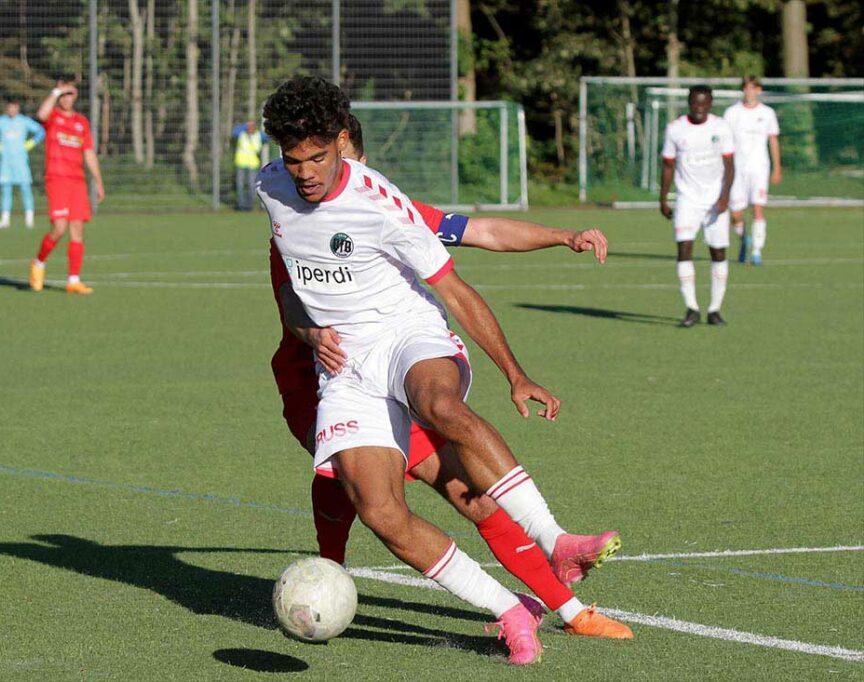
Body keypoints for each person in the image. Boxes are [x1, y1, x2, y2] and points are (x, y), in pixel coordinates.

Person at [258, 76, 632, 665]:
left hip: (407, 342)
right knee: (375, 506)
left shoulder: (383, 202)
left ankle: (558, 560)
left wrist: (517, 370)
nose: (308, 173)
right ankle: (506, 608)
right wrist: (310, 332)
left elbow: (473, 246)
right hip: (331, 374)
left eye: (323, 157)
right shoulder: (272, 191)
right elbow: (288, 295)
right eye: (294, 158)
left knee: (453, 448)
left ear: (343, 142)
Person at [659, 85, 735, 327]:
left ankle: (714, 309)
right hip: (687, 199)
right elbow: (668, 166)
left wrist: (724, 196)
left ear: (710, 104)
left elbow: (730, 165)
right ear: (689, 103)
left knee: (718, 252)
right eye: (695, 103)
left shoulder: (721, 127)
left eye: (704, 103)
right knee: (684, 249)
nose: (699, 108)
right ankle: (691, 308)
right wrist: (663, 198)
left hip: (715, 200)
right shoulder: (675, 129)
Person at [28, 77, 105, 295]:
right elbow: (40, 114)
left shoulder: (81, 122)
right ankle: (39, 263)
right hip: (57, 179)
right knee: (59, 228)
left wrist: (98, 181)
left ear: (76, 95)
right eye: (63, 94)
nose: (66, 98)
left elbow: (88, 152)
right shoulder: (52, 117)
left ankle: (73, 280)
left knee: (77, 229)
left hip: (77, 182)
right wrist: (55, 91)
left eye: (69, 93)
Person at [724, 76, 781, 265]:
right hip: (737, 170)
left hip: (759, 168)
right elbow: (725, 142)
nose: (749, 92)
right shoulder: (732, 113)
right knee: (736, 213)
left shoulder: (767, 113)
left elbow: (773, 141)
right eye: (746, 88)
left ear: (759, 90)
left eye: (753, 88)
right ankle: (743, 240)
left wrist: (776, 168)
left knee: (757, 209)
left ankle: (757, 251)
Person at [0, 99, 45, 229]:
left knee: (25, 189)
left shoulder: (24, 121)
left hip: (21, 161)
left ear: (18, 108)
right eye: (10, 107)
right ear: (6, 108)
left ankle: (29, 220)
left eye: (14, 107)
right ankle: (5, 220)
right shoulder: (1, 122)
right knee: (6, 190)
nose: (12, 110)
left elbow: (41, 132)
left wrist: (30, 144)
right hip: (6, 161)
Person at [233, 121, 267, 211]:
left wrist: (254, 126)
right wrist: (245, 125)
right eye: (249, 127)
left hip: (252, 164)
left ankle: (249, 205)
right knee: (240, 185)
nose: (250, 128)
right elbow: (234, 131)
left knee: (252, 185)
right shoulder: (241, 134)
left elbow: (266, 136)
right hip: (241, 163)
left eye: (252, 126)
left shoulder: (258, 135)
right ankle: (241, 205)